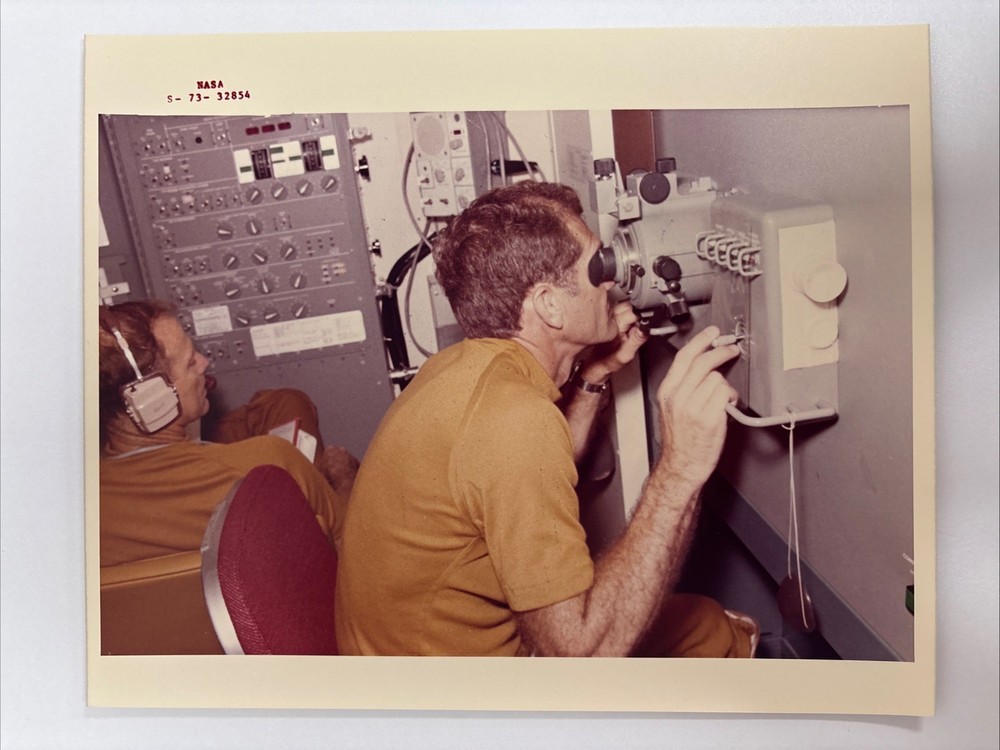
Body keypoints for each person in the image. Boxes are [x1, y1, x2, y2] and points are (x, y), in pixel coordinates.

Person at [334, 181, 758, 657]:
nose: (612, 283)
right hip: (452, 713)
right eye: (598, 268)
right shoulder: (515, 422)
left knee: (694, 622)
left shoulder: (460, 369)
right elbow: (578, 655)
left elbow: (532, 467)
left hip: (404, 669)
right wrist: (679, 470)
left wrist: (594, 374)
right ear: (549, 305)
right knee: (717, 631)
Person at [98, 299, 357, 568]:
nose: (204, 362)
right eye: (190, 364)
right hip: (283, 593)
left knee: (284, 403)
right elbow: (355, 550)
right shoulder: (268, 467)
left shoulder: (80, 511)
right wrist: (344, 480)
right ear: (152, 399)